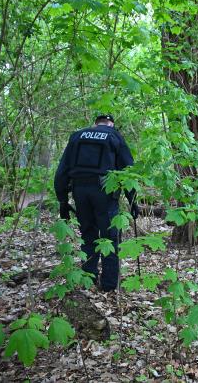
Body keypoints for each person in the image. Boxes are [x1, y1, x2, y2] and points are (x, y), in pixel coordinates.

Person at [54, 115, 139, 292]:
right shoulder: (114, 136)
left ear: (95, 124)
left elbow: (62, 170)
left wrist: (63, 200)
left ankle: (88, 280)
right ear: (111, 124)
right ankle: (108, 285)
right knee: (110, 237)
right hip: (105, 192)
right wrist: (133, 201)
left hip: (80, 191)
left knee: (88, 235)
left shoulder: (77, 136)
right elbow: (128, 171)